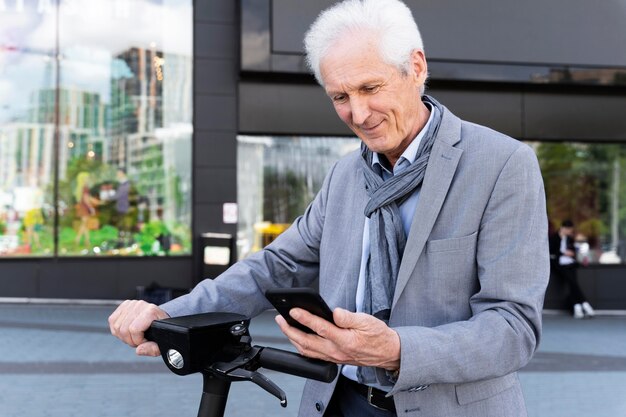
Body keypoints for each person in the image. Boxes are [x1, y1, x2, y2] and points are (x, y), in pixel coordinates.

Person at [109, 1, 549, 416]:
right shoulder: (345, 175)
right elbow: (275, 267)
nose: (358, 113)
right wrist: (173, 313)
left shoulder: (503, 164)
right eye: (340, 97)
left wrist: (395, 349)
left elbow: (513, 328)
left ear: (416, 67)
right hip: (339, 401)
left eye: (370, 88)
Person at [549, 220, 595, 319]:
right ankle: (585, 304)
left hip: (570, 264)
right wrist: (564, 253)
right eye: (569, 229)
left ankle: (577, 306)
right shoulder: (554, 238)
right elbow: (551, 252)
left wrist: (571, 253)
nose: (570, 231)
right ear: (563, 228)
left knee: (572, 283)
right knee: (573, 282)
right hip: (559, 265)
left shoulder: (570, 239)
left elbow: (574, 250)